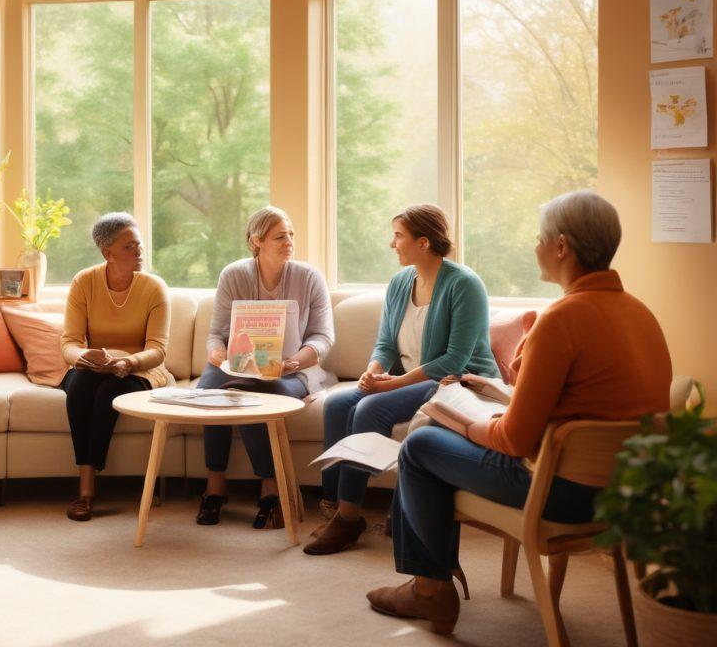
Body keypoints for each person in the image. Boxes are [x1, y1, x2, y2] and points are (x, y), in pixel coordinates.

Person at [366, 190, 672, 635]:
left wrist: (465, 422)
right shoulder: (641, 314)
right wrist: (499, 391)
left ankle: (430, 591)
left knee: (420, 445)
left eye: (540, 238)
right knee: (439, 433)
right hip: (624, 493)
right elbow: (585, 408)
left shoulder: (560, 320)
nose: (535, 247)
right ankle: (429, 582)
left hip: (561, 491)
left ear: (562, 246)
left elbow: (512, 441)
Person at [309, 204, 498, 555]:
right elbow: (385, 343)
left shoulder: (465, 285)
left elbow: (453, 361)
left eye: (398, 236)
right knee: (337, 404)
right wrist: (373, 370)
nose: (392, 243)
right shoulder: (400, 283)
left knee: (370, 409)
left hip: (455, 382)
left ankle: (349, 520)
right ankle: (336, 506)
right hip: (411, 378)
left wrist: (391, 385)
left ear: (423, 242)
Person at [195, 206, 335, 528]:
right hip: (236, 365)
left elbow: (323, 336)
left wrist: (293, 362)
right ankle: (215, 485)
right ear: (257, 241)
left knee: (249, 390)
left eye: (291, 235)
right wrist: (218, 356)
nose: (289, 241)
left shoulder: (309, 277)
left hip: (293, 368)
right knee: (210, 392)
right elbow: (216, 334)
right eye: (280, 236)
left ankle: (270, 486)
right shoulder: (233, 275)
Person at [61, 212, 171, 521]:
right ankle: (85, 488)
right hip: (93, 368)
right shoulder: (84, 282)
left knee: (110, 389)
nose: (139, 252)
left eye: (139, 245)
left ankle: (89, 483)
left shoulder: (153, 287)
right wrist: (83, 357)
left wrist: (127, 362)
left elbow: (158, 350)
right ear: (107, 253)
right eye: (130, 247)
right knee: (81, 385)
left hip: (140, 369)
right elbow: (68, 341)